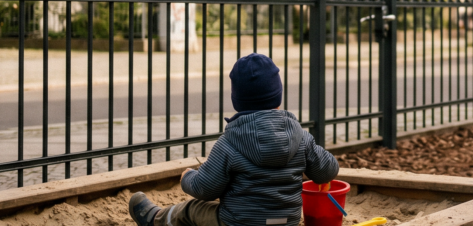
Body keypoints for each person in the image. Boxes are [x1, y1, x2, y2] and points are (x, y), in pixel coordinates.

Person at [129, 53, 339, 226]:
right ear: (278, 96)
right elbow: (328, 171)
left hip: (238, 223)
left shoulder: (228, 143)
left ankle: (153, 219)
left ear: (237, 100)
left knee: (192, 209)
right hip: (286, 222)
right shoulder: (302, 138)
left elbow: (205, 190)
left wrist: (188, 178)